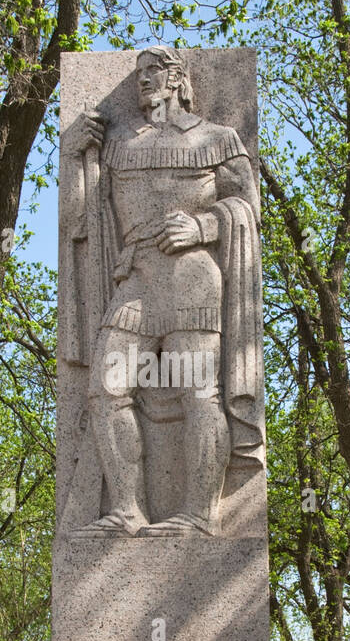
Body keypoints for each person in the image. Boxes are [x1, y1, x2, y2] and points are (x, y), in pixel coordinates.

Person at [70, 45, 264, 537]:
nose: (143, 80)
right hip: (135, 275)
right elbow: (82, 218)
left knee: (199, 391)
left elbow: (248, 210)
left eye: (153, 71)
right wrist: (73, 151)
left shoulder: (218, 137)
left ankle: (200, 514)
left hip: (191, 276)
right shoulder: (116, 144)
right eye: (138, 73)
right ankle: (127, 509)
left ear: (176, 79)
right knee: (106, 389)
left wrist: (201, 226)